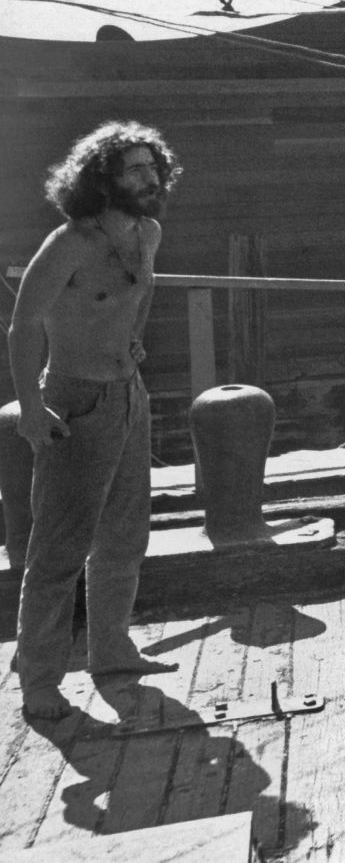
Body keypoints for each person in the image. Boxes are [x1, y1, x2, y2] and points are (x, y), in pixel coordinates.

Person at [9, 122, 181, 718]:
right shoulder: (70, 244)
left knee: (125, 536)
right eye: (134, 169)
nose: (149, 178)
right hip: (74, 400)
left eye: (152, 168)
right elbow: (23, 324)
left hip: (129, 398)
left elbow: (145, 289)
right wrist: (32, 410)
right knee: (57, 549)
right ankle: (38, 681)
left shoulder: (147, 232)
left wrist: (133, 340)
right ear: (101, 179)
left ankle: (111, 652)